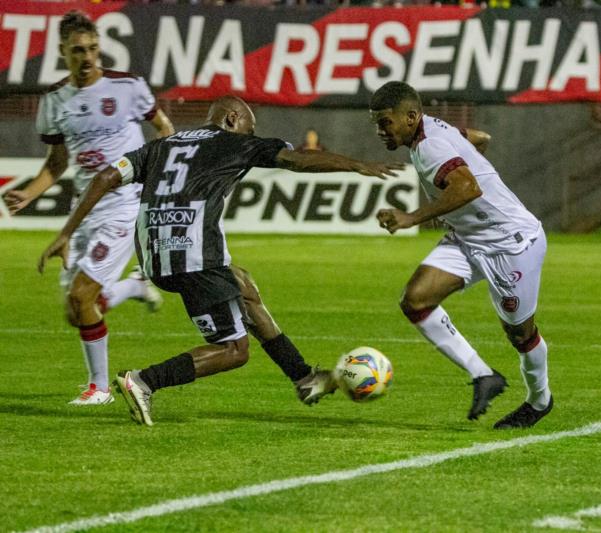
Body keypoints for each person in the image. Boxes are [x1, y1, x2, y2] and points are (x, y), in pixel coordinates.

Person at [39, 96, 401, 426]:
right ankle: (145, 381)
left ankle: (303, 377)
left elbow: (105, 176)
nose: (251, 134)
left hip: (154, 255)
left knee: (243, 287)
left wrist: (66, 232)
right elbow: (296, 159)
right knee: (234, 351)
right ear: (233, 118)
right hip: (195, 256)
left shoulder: (160, 146)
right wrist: (354, 163)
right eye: (250, 127)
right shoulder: (235, 142)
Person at [2, 11, 175, 406]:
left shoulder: (128, 86)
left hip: (123, 205)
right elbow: (57, 162)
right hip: (86, 208)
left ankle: (99, 389)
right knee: (76, 310)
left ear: (100, 48)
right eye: (78, 50)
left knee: (83, 297)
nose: (87, 56)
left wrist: (157, 175)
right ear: (62, 51)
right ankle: (134, 287)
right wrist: (29, 193)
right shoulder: (54, 101)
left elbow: (164, 130)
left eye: (93, 48)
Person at [370, 81, 552, 429]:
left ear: (410, 117)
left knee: (521, 335)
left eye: (385, 122)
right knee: (416, 299)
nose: (380, 131)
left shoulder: (430, 145)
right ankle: (483, 375)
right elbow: (481, 139)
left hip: (510, 243)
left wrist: (411, 218)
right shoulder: (432, 127)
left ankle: (540, 400)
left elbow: (468, 187)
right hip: (469, 238)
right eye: (376, 123)